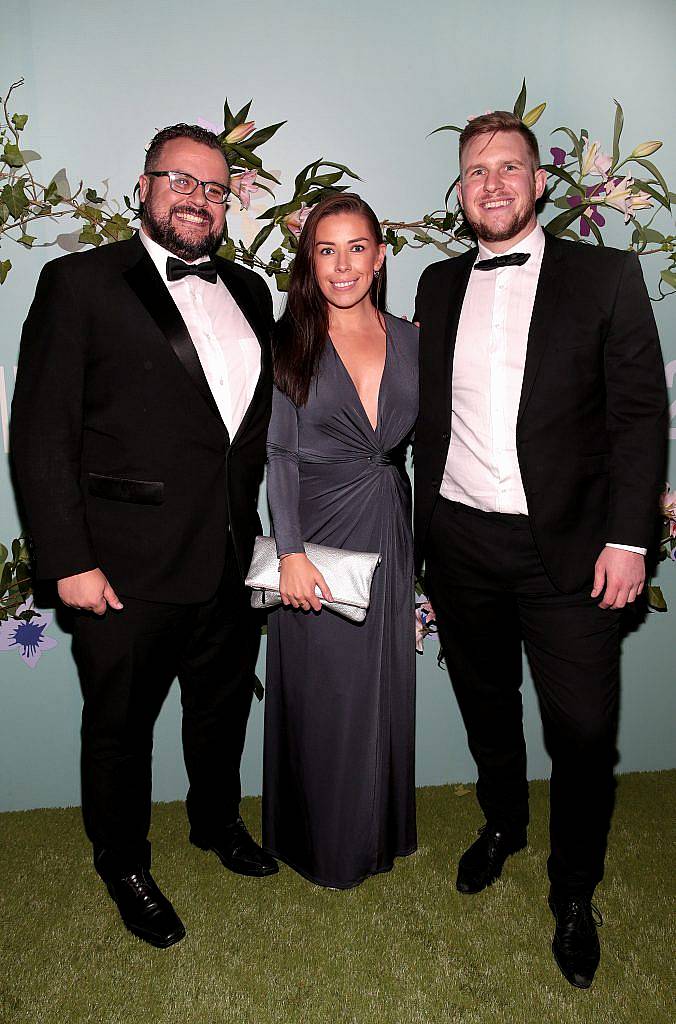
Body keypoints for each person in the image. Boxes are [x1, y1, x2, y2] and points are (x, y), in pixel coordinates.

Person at [414, 112, 667, 988]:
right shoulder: (436, 284)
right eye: (476, 170)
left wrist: (630, 537)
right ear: (461, 187)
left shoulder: (605, 276)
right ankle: (503, 823)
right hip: (460, 542)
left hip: (572, 553)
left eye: (509, 167)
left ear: (540, 182)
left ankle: (574, 891)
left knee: (585, 731)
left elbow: (640, 417)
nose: (492, 183)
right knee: (486, 704)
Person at [11, 123, 278, 949]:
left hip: (231, 555)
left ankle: (215, 822)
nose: (197, 198)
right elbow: (41, 431)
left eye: (213, 187)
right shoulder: (79, 282)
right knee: (120, 728)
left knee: (221, 710)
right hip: (121, 566)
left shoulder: (252, 290)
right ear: (144, 185)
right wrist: (68, 561)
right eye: (180, 180)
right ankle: (123, 862)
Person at [263, 193, 418, 888]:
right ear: (309, 261)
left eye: (357, 247)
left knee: (380, 686)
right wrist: (289, 552)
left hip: (387, 520)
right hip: (316, 536)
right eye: (326, 250)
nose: (343, 264)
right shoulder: (289, 337)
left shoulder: (413, 338)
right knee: (326, 692)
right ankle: (322, 843)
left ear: (380, 255)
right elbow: (279, 455)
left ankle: (376, 832)